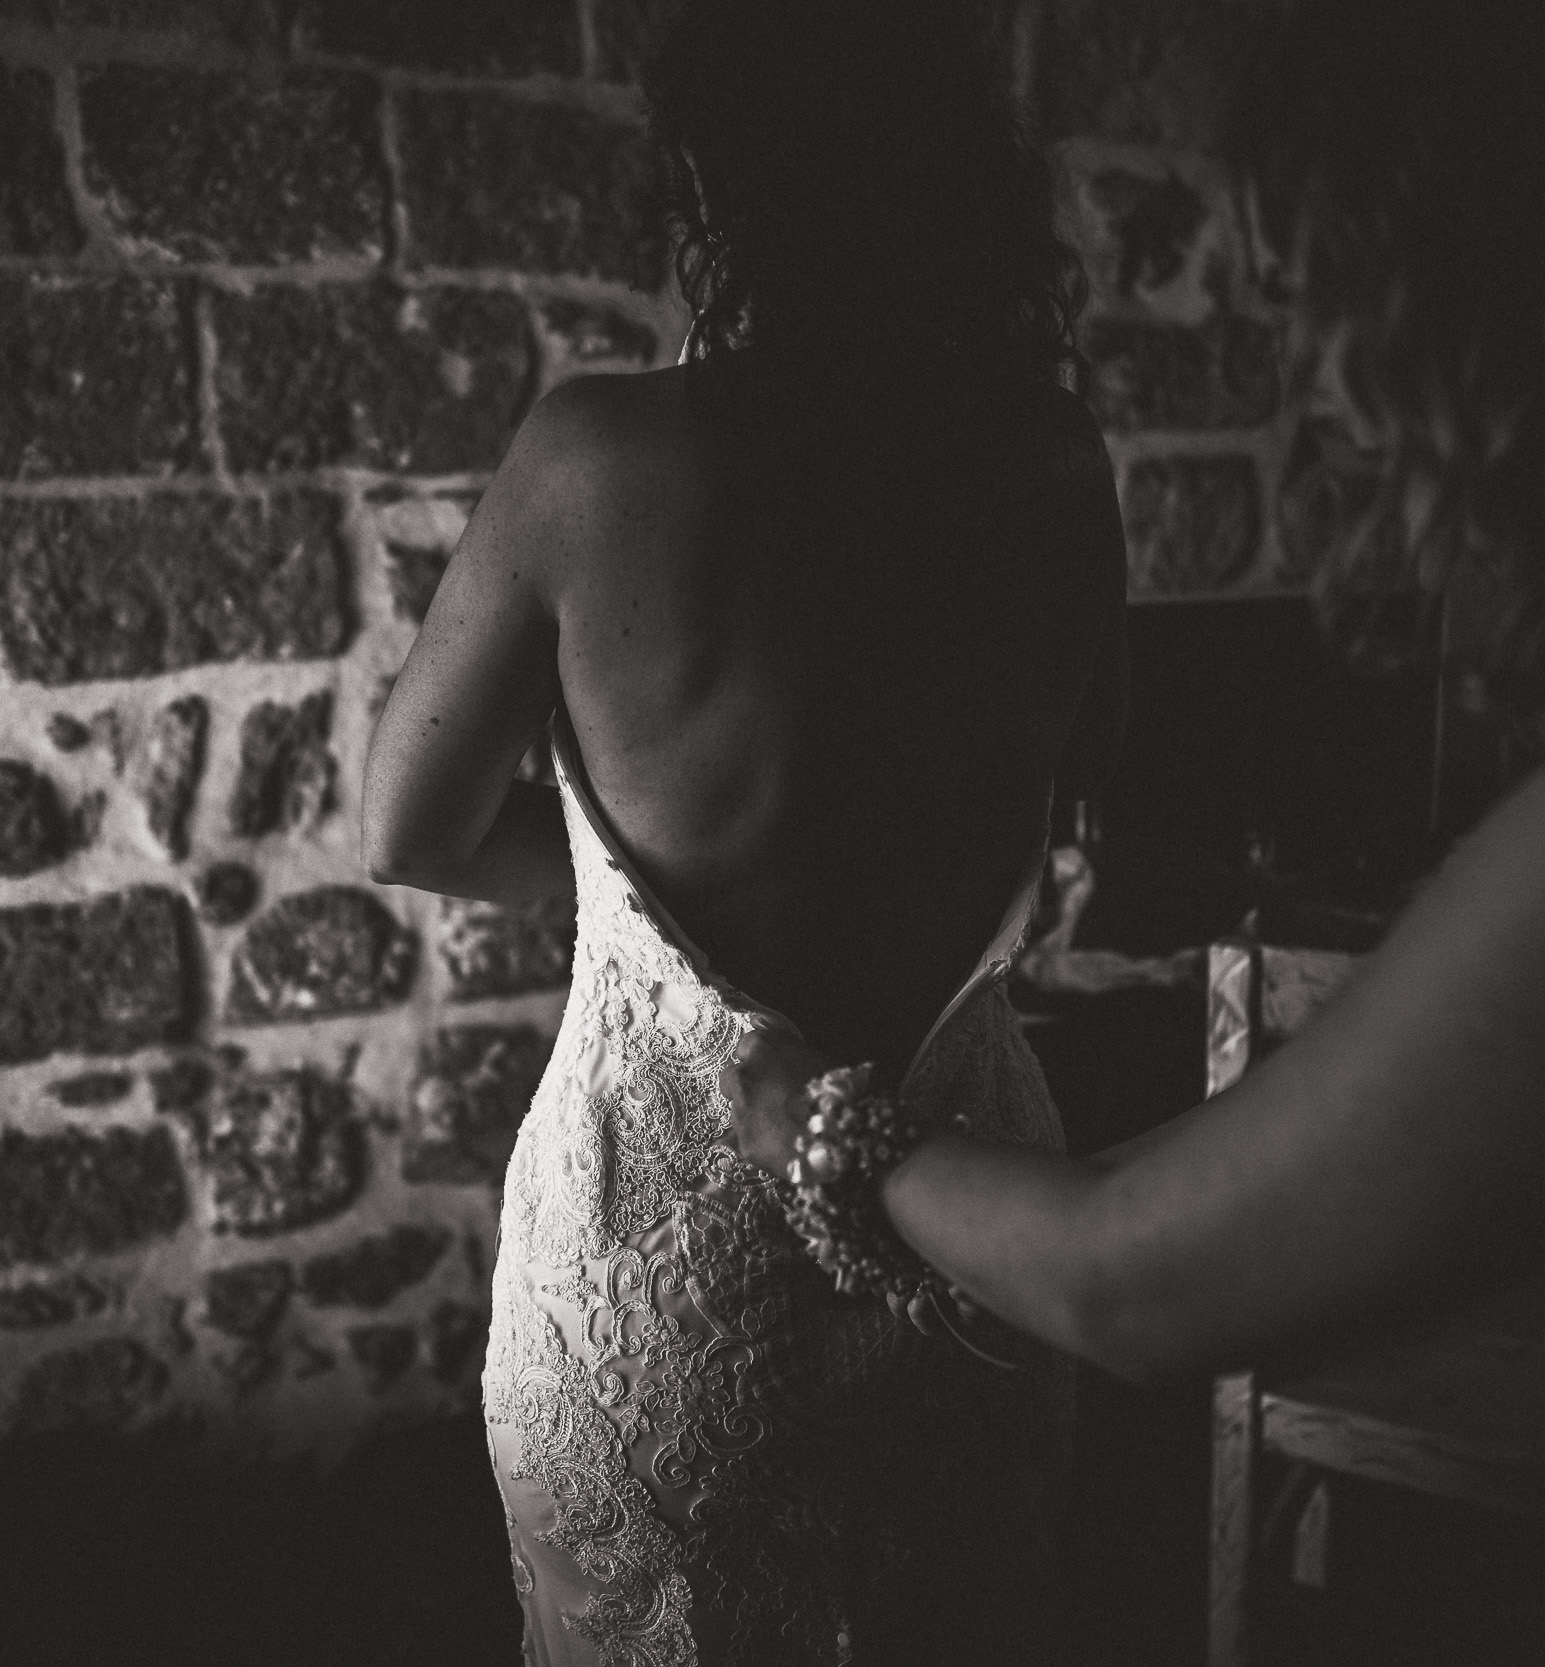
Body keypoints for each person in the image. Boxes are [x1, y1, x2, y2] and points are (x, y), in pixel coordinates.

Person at [717, 2, 1545, 1662]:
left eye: (1353, 330)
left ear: (1520, 295)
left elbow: (1129, 1282)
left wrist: (827, 1128)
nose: (1353, 417)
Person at [361, 2, 1120, 1660]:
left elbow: (405, 822)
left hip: (664, 1261)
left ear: (723, 185)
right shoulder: (1055, 468)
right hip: (972, 1222)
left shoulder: (598, 459)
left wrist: (647, 915)